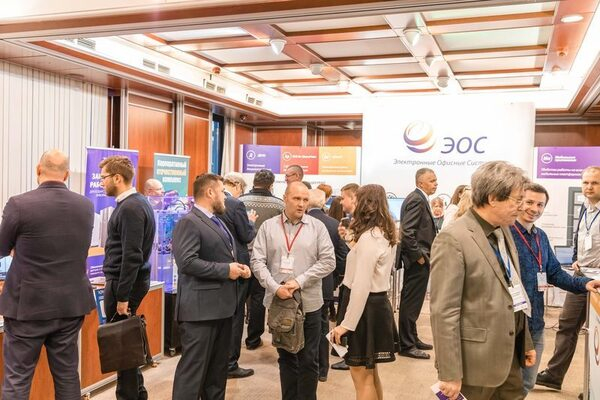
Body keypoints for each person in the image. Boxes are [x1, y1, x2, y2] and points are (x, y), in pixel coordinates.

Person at [430, 161, 536, 400]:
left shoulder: (504, 230)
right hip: (474, 366)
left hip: (510, 359)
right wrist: (449, 372)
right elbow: (444, 311)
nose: (521, 207)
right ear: (493, 198)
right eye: (517, 200)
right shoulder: (453, 239)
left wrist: (525, 341)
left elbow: (513, 290)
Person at [0, 150, 96, 400]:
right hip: (70, 305)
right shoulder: (85, 205)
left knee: (18, 378)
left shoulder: (19, 204)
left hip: (27, 307)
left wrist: (18, 247)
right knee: (67, 375)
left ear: (38, 169)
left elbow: (2, 247)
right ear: (66, 174)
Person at [510, 182, 600, 396]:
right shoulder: (505, 234)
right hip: (511, 324)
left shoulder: (540, 236)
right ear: (518, 202)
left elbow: (554, 273)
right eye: (529, 202)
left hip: (536, 322)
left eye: (540, 204)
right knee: (507, 384)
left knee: (526, 383)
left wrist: (584, 283)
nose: (535, 209)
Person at [251, 181, 335, 400]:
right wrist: (274, 287)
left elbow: (329, 261)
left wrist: (299, 281)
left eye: (305, 200)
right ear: (285, 198)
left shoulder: (317, 227)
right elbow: (257, 261)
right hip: (280, 305)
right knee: (286, 358)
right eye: (297, 199)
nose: (301, 204)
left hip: (309, 303)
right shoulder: (268, 227)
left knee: (309, 359)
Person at [171, 173, 251, 400]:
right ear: (209, 192)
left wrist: (238, 268)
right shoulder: (189, 222)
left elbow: (219, 254)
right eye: (222, 192)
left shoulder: (216, 221)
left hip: (222, 309)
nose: (225, 197)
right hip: (200, 313)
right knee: (193, 375)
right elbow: (187, 262)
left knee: (216, 374)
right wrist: (226, 270)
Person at [331, 184, 399, 400]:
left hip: (364, 309)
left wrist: (346, 324)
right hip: (376, 305)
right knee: (370, 373)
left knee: (361, 376)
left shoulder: (370, 237)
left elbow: (361, 285)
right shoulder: (384, 233)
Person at [537, 166, 600, 394]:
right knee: (567, 325)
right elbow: (580, 236)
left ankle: (595, 387)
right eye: (585, 182)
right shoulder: (586, 207)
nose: (589, 187)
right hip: (581, 277)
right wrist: (575, 258)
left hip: (599, 280)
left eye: (595, 183)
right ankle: (554, 376)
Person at [99, 155, 156, 400]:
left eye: (104, 178)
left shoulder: (131, 208)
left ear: (117, 178)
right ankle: (137, 393)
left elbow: (132, 256)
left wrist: (122, 297)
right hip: (126, 282)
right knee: (126, 342)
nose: (101, 183)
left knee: (121, 346)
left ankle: (128, 395)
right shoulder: (135, 203)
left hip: (124, 285)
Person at [239, 169, 285, 350]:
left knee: (239, 298)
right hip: (265, 259)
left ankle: (234, 338)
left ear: (254, 182)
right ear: (271, 185)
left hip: (242, 257)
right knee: (259, 299)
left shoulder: (240, 202)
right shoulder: (279, 205)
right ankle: (253, 339)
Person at [307, 189, 349, 382]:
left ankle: (306, 366)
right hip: (325, 283)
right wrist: (334, 278)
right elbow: (341, 255)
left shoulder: (302, 223)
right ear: (323, 202)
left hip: (303, 285)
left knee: (304, 327)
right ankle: (322, 369)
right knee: (323, 326)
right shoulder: (334, 224)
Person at [398, 168, 438, 359]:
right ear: (421, 183)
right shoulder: (416, 199)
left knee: (414, 302)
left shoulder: (419, 198)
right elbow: (407, 232)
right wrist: (419, 256)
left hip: (419, 259)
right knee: (411, 302)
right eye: (432, 180)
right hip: (417, 261)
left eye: (435, 180)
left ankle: (412, 338)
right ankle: (407, 345)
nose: (436, 184)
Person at [220, 172, 257, 379]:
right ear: (235, 185)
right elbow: (246, 235)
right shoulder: (235, 205)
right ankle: (230, 364)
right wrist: (250, 222)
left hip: (218, 267)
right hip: (238, 266)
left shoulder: (208, 203)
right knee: (235, 316)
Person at [333, 182, 359, 370]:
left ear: (353, 198)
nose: (341, 202)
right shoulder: (353, 220)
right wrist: (346, 238)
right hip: (350, 281)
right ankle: (344, 353)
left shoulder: (363, 223)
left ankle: (349, 356)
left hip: (356, 282)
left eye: (343, 198)